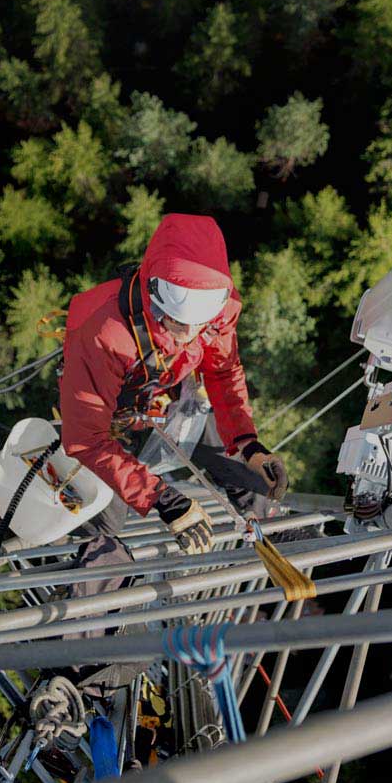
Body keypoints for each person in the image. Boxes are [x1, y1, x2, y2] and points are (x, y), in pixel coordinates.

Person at [58, 213, 291, 555]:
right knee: (108, 522)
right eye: (177, 323)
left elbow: (223, 372)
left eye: (198, 325)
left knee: (251, 477)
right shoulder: (103, 331)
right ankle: (79, 558)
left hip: (167, 401)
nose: (188, 335)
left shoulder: (216, 306)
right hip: (108, 424)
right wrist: (161, 497)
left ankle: (268, 529)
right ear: (154, 298)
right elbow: (85, 439)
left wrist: (248, 444)